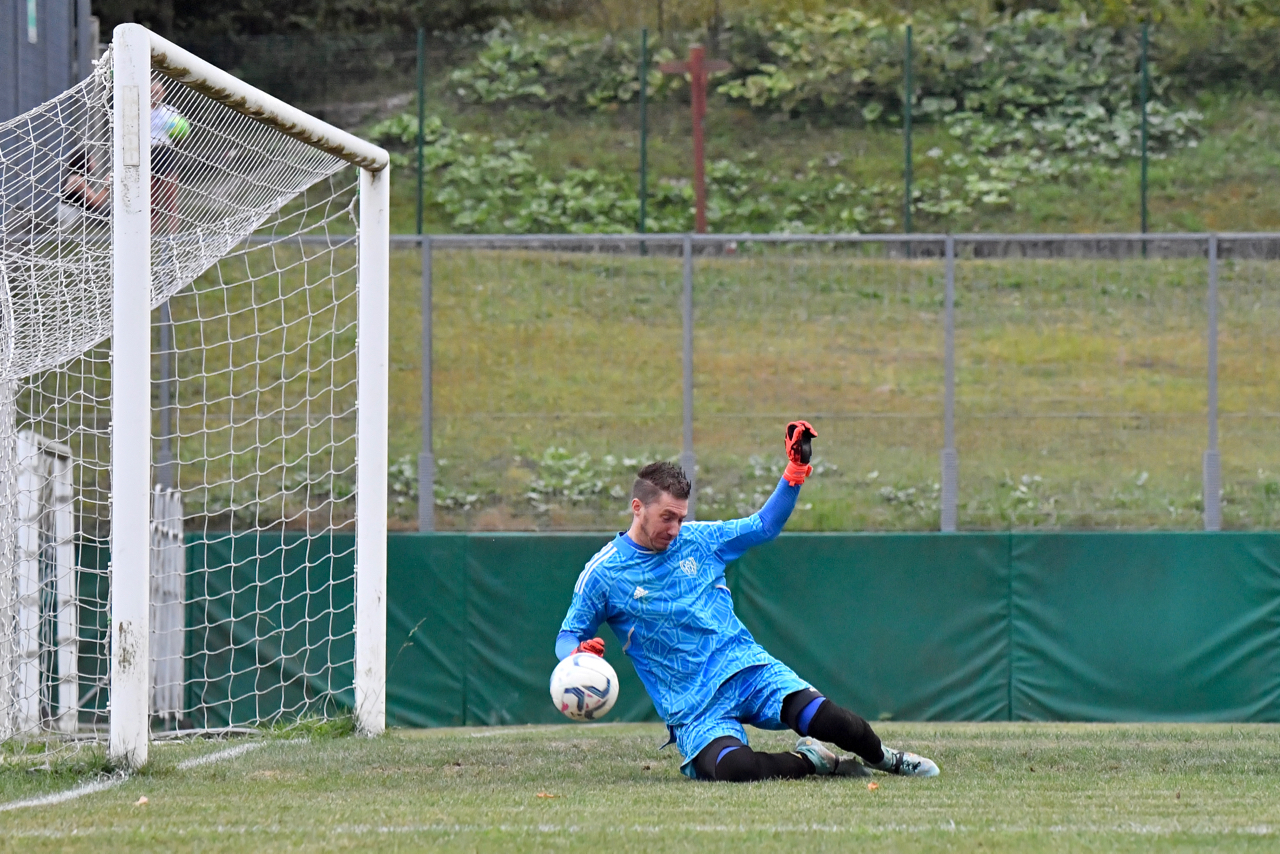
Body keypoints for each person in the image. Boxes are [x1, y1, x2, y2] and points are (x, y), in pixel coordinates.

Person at [555, 421, 940, 782]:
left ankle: (886, 758)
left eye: (681, 518)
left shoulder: (699, 540)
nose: (674, 529)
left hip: (745, 668)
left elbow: (764, 526)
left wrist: (795, 471)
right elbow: (568, 634)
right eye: (666, 517)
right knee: (735, 768)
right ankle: (813, 761)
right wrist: (576, 656)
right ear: (638, 507)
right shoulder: (604, 573)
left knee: (830, 720)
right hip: (693, 706)